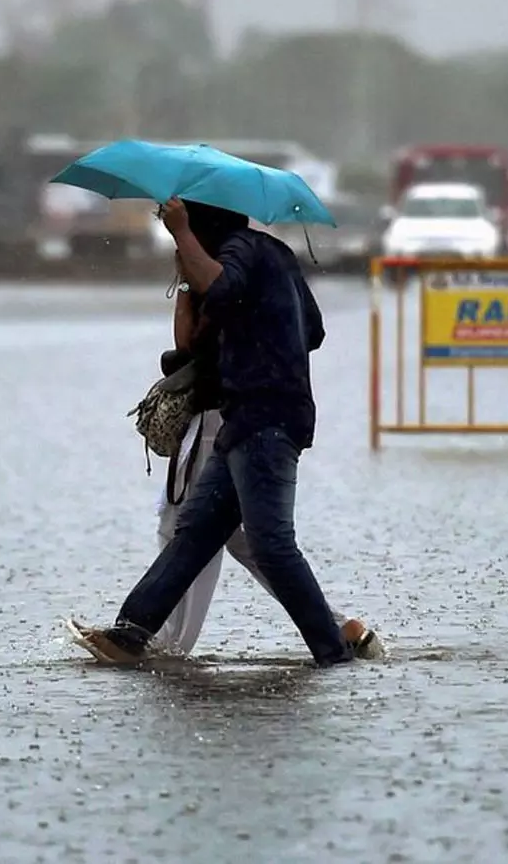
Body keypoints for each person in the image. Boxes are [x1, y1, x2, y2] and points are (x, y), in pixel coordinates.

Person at [75, 198, 357, 667]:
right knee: (196, 533)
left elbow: (222, 287)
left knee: (270, 544)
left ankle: (334, 652)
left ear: (203, 222)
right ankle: (128, 636)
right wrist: (198, 277)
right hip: (246, 418)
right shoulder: (269, 256)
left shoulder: (243, 250)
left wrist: (182, 235)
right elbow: (307, 331)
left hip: (268, 420)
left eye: (187, 222)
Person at [153, 254, 383, 659]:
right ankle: (336, 626)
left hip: (223, 416)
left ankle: (165, 641)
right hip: (244, 415)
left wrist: (187, 281)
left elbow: (188, 343)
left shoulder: (223, 264)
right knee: (244, 539)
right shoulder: (261, 263)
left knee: (187, 525)